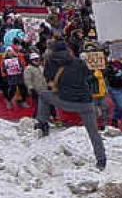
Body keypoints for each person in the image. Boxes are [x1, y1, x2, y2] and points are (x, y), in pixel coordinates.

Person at [33, 42, 107, 171]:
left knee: (43, 95)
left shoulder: (50, 63)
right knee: (93, 132)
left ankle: (42, 123)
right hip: (85, 102)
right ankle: (101, 160)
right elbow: (90, 77)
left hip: (64, 101)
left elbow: (48, 80)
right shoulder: (78, 61)